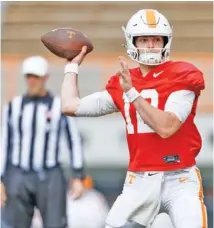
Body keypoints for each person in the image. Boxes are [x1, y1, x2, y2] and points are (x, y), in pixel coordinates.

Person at [60, 9, 207, 228]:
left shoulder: (182, 75)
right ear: (132, 41)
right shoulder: (124, 81)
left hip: (180, 179)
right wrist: (72, 66)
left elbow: (166, 126)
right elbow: (70, 105)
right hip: (138, 181)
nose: (150, 45)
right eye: (144, 39)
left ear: (166, 41)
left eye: (156, 39)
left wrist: (132, 93)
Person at [1, 56, 85, 228]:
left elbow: (74, 140)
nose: (32, 81)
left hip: (50, 174)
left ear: (45, 77)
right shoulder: (13, 107)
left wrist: (77, 175)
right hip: (18, 174)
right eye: (28, 76)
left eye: (36, 77)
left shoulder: (58, 105)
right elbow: (4, 144)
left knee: (56, 224)